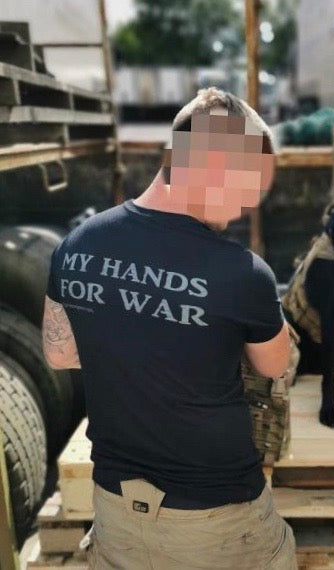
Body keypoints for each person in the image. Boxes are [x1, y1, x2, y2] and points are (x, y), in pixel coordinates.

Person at [42, 87, 297, 569]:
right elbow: (274, 364)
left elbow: (60, 354)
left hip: (116, 512)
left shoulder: (75, 245)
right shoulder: (243, 273)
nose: (244, 206)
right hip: (218, 522)